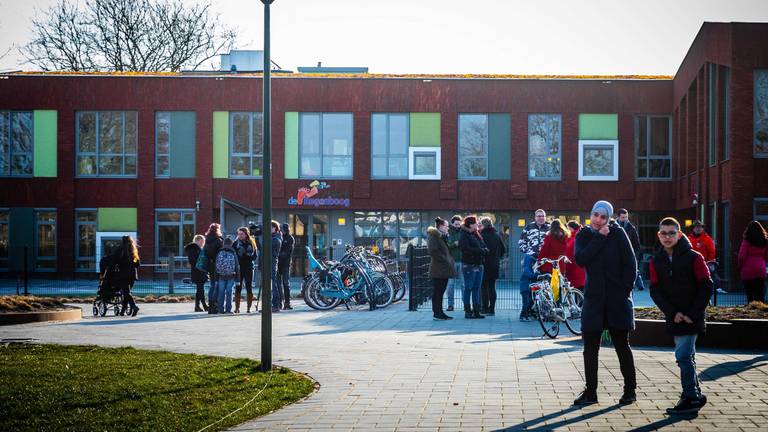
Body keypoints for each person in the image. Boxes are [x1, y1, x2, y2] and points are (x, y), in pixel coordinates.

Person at [573, 200, 638, 406]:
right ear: (590, 214)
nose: (598, 220)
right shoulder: (583, 235)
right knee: (590, 348)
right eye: (595, 215)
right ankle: (590, 392)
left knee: (622, 346)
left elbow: (631, 264)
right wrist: (599, 238)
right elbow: (581, 259)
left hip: (617, 300)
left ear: (609, 218)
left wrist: (623, 291)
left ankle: (630, 390)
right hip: (594, 300)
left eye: (603, 217)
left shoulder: (618, 233)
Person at [649, 217, 712, 415]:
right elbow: (655, 290)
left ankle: (691, 396)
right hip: (674, 316)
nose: (667, 237)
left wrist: (692, 314)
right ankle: (693, 395)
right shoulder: (655, 260)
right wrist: (672, 313)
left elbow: (706, 285)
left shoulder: (694, 257)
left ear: (679, 234)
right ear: (659, 236)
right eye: (664, 233)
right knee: (687, 356)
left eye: (671, 233)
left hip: (692, 316)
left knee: (683, 356)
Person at [518, 209, 550, 321]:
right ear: (535, 217)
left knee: (544, 286)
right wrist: (528, 252)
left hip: (544, 260)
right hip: (531, 259)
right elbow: (521, 242)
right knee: (528, 284)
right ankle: (525, 311)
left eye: (543, 216)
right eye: (539, 216)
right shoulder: (528, 227)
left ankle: (542, 311)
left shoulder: (549, 229)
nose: (541, 218)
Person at [460, 215, 489, 319]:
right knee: (468, 288)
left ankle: (476, 311)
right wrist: (481, 251)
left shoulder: (476, 234)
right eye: (476, 223)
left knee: (476, 288)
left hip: (479, 264)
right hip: (469, 264)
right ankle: (468, 312)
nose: (477, 225)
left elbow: (483, 245)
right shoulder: (464, 234)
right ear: (471, 224)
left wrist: (484, 249)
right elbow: (465, 249)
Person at [427, 217, 456, 320]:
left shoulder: (440, 236)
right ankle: (437, 313)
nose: (448, 228)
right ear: (441, 226)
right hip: (439, 269)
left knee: (440, 291)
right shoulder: (434, 236)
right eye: (447, 226)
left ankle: (440, 312)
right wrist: (445, 260)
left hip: (442, 269)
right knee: (438, 292)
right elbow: (433, 251)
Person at [480, 217, 506, 315]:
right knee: (492, 287)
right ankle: (492, 309)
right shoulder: (496, 235)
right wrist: (497, 257)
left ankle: (484, 308)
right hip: (494, 264)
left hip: (483, 264)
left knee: (483, 287)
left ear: (483, 225)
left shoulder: (481, 235)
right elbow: (503, 250)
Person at [738, 220, 768, 303]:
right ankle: (760, 312)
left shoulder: (747, 241)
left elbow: (741, 256)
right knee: (760, 295)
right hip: (760, 270)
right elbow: (766, 256)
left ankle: (751, 311)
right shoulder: (764, 241)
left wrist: (740, 267)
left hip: (748, 271)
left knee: (750, 295)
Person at [112, 235, 141, 317]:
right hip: (132, 275)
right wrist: (132, 264)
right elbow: (137, 263)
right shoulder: (133, 250)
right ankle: (122, 311)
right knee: (126, 293)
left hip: (123, 275)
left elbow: (115, 261)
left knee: (126, 292)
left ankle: (134, 306)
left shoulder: (120, 250)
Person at [617, 208, 645, 291]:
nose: (625, 219)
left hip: (628, 255)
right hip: (616, 256)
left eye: (626, 217)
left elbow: (636, 244)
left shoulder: (631, 228)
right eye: (623, 217)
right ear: (618, 217)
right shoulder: (612, 227)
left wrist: (635, 257)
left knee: (629, 278)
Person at [233, 227, 257, 313]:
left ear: (246, 234)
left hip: (249, 267)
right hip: (239, 267)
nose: (239, 236)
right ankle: (237, 308)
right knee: (238, 287)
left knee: (248, 286)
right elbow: (233, 255)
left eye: (241, 234)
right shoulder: (235, 243)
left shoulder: (251, 242)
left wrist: (247, 254)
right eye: (238, 234)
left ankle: (248, 308)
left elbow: (255, 256)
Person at [214, 237, 240, 314]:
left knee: (221, 292)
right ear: (231, 244)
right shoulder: (232, 251)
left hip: (221, 276)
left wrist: (216, 279)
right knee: (229, 292)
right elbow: (236, 266)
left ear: (223, 243)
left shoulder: (219, 251)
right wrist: (238, 279)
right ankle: (228, 310)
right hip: (231, 276)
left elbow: (216, 266)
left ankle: (220, 309)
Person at [203, 223, 224, 314]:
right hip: (217, 265)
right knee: (217, 285)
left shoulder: (207, 241)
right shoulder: (218, 240)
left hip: (209, 265)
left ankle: (210, 305)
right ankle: (215, 305)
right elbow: (221, 253)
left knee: (212, 285)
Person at [184, 234, 208, 312]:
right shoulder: (193, 249)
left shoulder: (196, 248)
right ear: (199, 241)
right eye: (202, 242)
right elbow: (192, 261)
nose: (203, 243)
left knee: (199, 289)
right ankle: (204, 305)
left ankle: (197, 306)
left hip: (198, 272)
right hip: (197, 272)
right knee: (201, 289)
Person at [445, 215, 463, 312]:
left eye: (459, 224)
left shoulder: (463, 232)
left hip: (462, 261)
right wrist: (453, 244)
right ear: (452, 224)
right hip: (451, 262)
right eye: (456, 224)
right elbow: (445, 247)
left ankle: (466, 305)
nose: (457, 226)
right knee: (450, 285)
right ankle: (450, 305)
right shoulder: (448, 233)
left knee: (463, 285)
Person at [278, 223, 295, 310]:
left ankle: (287, 302)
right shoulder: (277, 237)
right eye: (280, 229)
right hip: (277, 264)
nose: (281, 230)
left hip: (285, 264)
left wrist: (278, 254)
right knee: (277, 284)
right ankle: (279, 302)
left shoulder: (290, 238)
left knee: (285, 283)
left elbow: (288, 252)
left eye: (283, 229)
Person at [565, 221, 586, 290]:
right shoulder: (574, 236)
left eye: (567, 228)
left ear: (570, 228)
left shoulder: (575, 237)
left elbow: (570, 251)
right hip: (575, 267)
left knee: (578, 288)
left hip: (574, 267)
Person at [269, 221, 283, 313]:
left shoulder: (275, 239)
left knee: (273, 284)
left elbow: (267, 248)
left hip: (272, 263)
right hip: (270, 262)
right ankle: (273, 305)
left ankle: (276, 305)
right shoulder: (273, 237)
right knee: (272, 284)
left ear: (275, 228)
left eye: (270, 227)